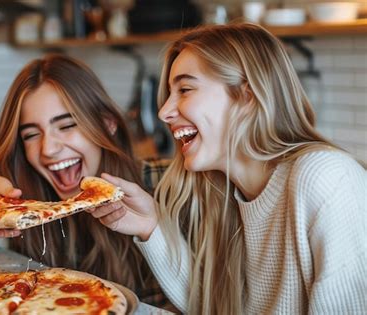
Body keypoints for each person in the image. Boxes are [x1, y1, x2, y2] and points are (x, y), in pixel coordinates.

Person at [89, 23, 366, 314]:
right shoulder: (225, 194)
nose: (164, 112)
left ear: (246, 97)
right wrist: (152, 226)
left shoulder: (326, 177)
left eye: (185, 89)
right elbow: (211, 307)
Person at [0, 53, 175, 310]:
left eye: (66, 126)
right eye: (31, 134)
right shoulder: (26, 202)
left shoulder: (166, 183)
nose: (48, 149)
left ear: (107, 124)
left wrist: (155, 231)